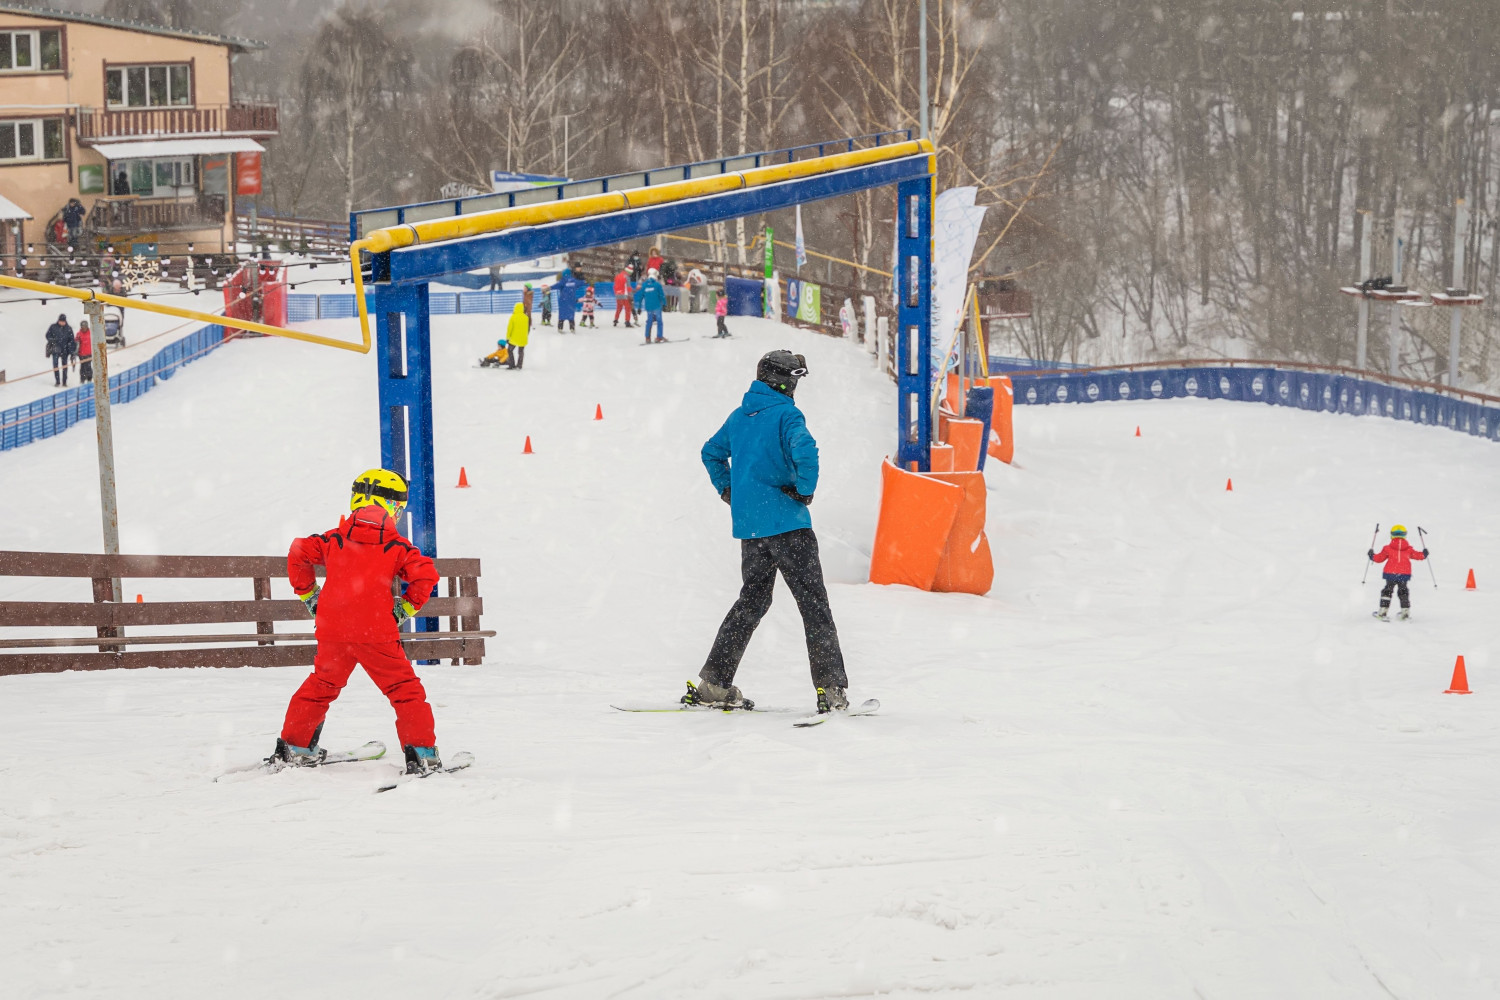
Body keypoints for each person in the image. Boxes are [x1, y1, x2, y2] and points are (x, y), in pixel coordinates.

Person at [690, 350, 850, 713]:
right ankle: (832, 690)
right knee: (813, 605)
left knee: (752, 602)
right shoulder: (786, 414)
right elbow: (806, 452)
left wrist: (729, 489)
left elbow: (710, 452)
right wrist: (805, 490)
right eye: (794, 379)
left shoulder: (739, 416)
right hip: (789, 526)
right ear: (783, 381)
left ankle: (714, 683)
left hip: (752, 530)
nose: (796, 387)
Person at [271, 469, 445, 774]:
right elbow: (425, 575)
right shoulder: (396, 547)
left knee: (321, 685)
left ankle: (295, 748)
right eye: (400, 508)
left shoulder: (333, 539)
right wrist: (403, 609)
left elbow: (298, 551)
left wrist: (310, 596)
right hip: (376, 632)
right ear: (392, 507)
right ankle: (421, 755)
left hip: (333, 631)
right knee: (405, 690)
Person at [1369, 524, 1429, 621]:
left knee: (1387, 590)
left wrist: (1372, 556)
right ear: (1405, 535)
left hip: (1390, 574)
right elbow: (1418, 556)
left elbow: (1379, 558)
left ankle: (1383, 611)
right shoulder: (1409, 549)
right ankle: (1405, 613)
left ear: (1391, 535)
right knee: (1403, 591)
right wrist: (1424, 554)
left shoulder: (1387, 548)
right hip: (1404, 574)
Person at [634, 267, 667, 343]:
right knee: (659, 321)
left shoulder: (644, 285)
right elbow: (662, 295)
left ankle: (647, 338)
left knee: (649, 321)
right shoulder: (657, 285)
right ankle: (659, 337)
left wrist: (639, 307)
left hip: (648, 307)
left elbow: (641, 296)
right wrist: (664, 304)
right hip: (657, 306)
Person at [45, 313, 74, 387]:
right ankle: (57, 381)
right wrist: (52, 340)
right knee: (55, 365)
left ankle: (64, 382)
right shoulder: (53, 327)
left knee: (64, 366)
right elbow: (48, 335)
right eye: (60, 321)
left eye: (63, 321)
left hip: (65, 350)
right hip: (55, 349)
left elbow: (71, 340)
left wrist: (70, 350)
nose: (62, 323)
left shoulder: (68, 328)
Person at [505, 300, 530, 369]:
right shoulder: (526, 317)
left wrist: (507, 338)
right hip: (523, 338)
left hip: (514, 338)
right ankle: (519, 365)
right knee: (521, 352)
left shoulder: (513, 317)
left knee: (510, 351)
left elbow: (509, 328)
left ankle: (511, 364)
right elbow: (528, 329)